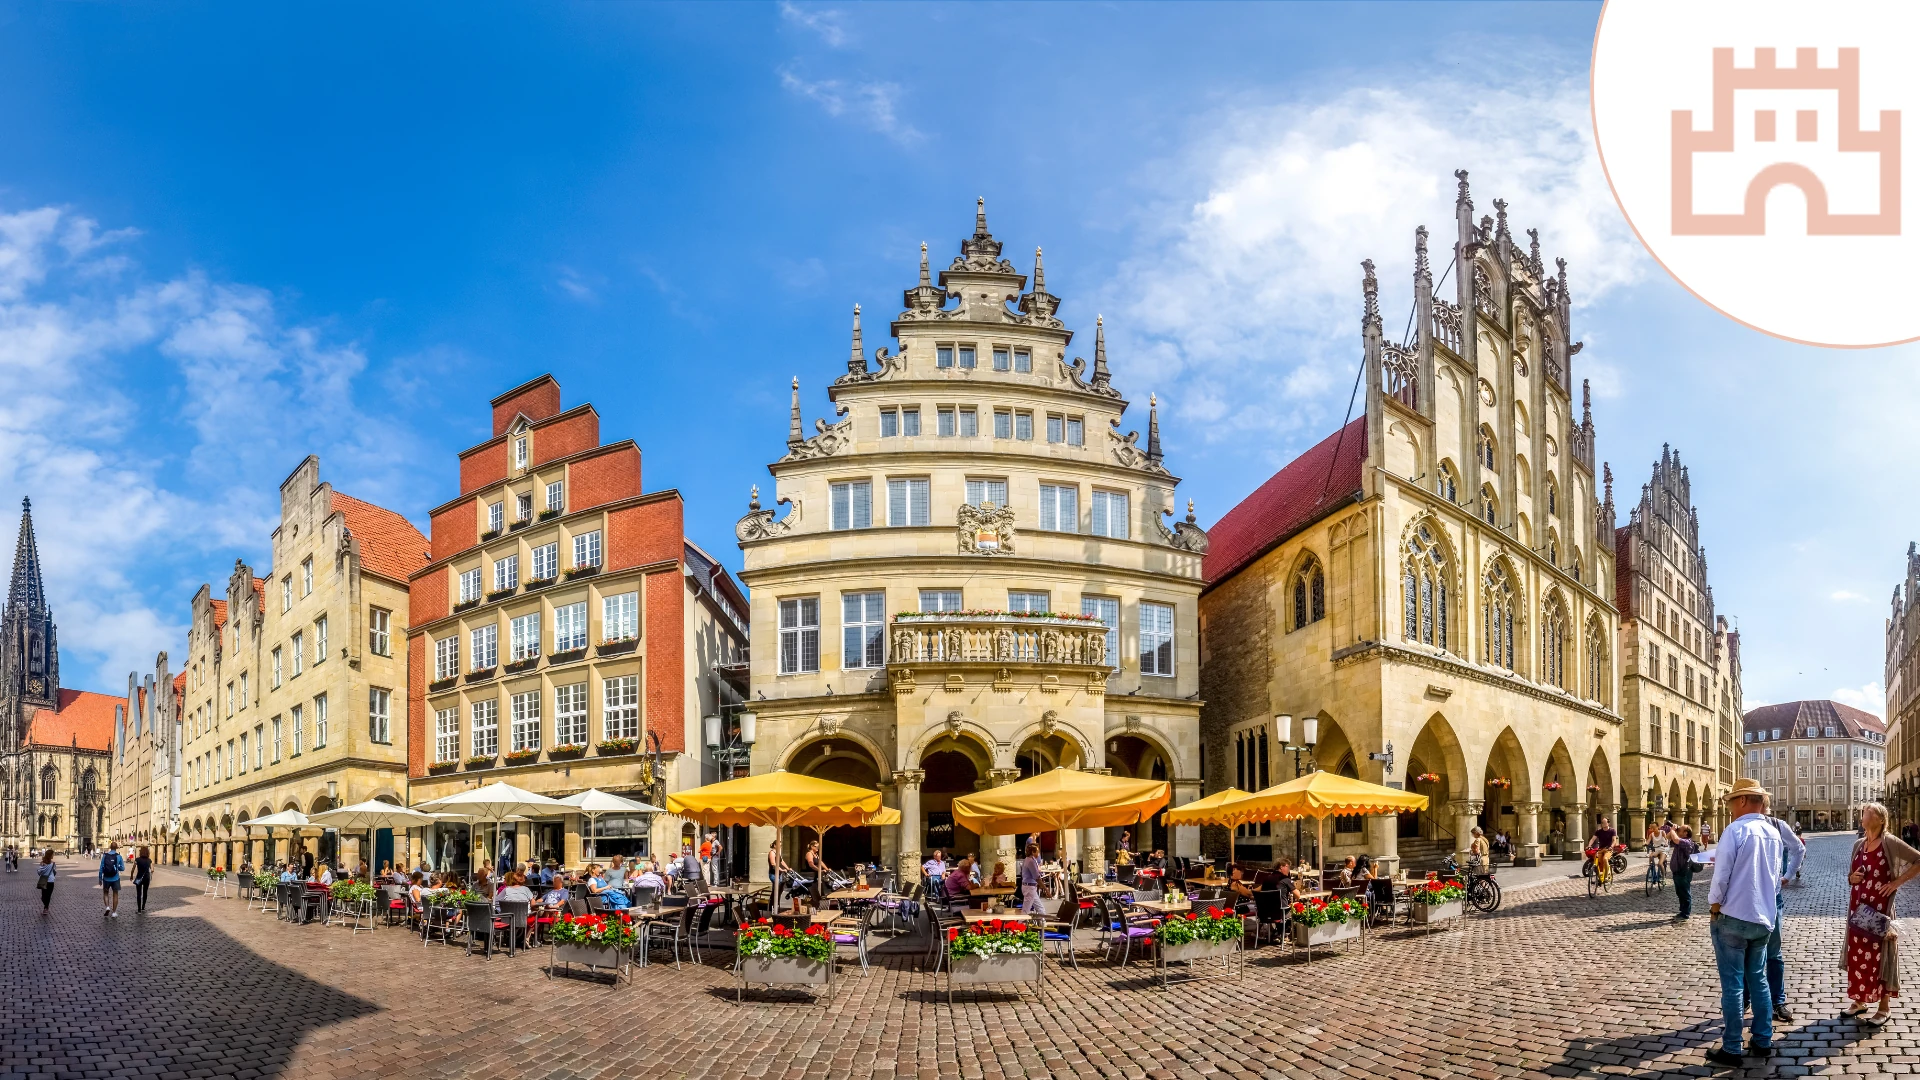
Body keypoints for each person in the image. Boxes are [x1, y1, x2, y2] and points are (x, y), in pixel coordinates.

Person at [1705, 778, 1783, 1067]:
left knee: (1733, 985)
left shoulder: (1735, 830)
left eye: (1729, 803)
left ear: (1741, 801)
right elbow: (1776, 879)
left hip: (1734, 918)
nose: (1728, 809)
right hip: (1764, 918)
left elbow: (1721, 876)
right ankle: (1763, 1040)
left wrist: (1714, 907)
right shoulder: (1772, 832)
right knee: (1759, 980)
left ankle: (1732, 1047)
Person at [1843, 802, 1919, 1027]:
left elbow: (1918, 860)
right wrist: (1851, 878)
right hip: (1858, 909)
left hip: (1880, 909)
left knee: (1880, 955)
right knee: (1857, 954)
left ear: (1880, 819)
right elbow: (1851, 874)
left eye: (1868, 812)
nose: (1863, 815)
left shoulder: (1890, 842)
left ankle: (1884, 1007)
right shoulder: (1859, 844)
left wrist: (1896, 883)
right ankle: (1859, 1001)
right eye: (1864, 812)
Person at [1757, 800, 1806, 1023]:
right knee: (1748, 953)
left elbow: (1798, 848)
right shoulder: (1737, 826)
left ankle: (1778, 1000)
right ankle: (1747, 999)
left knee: (1773, 952)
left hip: (1772, 897)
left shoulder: (1777, 825)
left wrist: (1787, 875)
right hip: (1747, 898)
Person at [1670, 824, 1700, 921]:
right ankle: (1682, 911)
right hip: (1677, 872)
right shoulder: (1680, 841)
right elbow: (1668, 837)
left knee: (1685, 893)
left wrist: (1673, 829)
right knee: (1680, 893)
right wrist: (1672, 830)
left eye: (1680, 830)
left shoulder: (1687, 842)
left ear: (1686, 833)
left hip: (1684, 872)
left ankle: (1685, 914)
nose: (1678, 831)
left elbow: (1675, 839)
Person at [1586, 817, 1618, 887]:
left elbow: (1614, 840)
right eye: (1602, 822)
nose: (1603, 824)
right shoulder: (1599, 831)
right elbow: (1593, 839)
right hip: (1600, 849)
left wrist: (1611, 846)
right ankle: (1599, 876)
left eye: (1604, 822)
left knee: (1605, 859)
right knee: (1597, 861)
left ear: (1608, 823)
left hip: (1608, 849)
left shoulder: (1612, 830)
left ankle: (1606, 876)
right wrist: (1589, 845)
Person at [98, 842, 125, 917]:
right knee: (115, 894)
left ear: (110, 847)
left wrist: (100, 878)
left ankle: (107, 907)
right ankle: (114, 912)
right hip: (115, 878)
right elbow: (122, 868)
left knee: (106, 893)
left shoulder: (105, 856)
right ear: (116, 847)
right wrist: (117, 867)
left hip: (106, 878)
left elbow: (101, 868)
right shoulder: (119, 856)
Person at [1019, 843, 1044, 915]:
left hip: (1028, 887)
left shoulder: (1027, 860)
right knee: (1025, 911)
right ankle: (1019, 925)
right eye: (1037, 851)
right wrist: (1046, 890)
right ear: (1033, 852)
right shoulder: (1031, 861)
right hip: (1029, 888)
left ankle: (1043, 923)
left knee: (1040, 908)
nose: (1038, 853)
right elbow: (1037, 877)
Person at [132, 846, 154, 915]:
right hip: (146, 878)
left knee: (139, 893)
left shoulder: (137, 859)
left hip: (139, 877)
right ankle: (143, 907)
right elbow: (152, 869)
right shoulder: (149, 860)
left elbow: (133, 868)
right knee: (145, 892)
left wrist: (131, 875)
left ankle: (139, 910)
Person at [36, 850, 56, 914]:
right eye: (53, 854)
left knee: (44, 895)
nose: (53, 855)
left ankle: (46, 907)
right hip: (50, 881)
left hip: (44, 880)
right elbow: (54, 872)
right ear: (50, 855)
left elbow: (39, 872)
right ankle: (46, 907)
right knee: (48, 895)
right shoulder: (53, 864)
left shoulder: (42, 863)